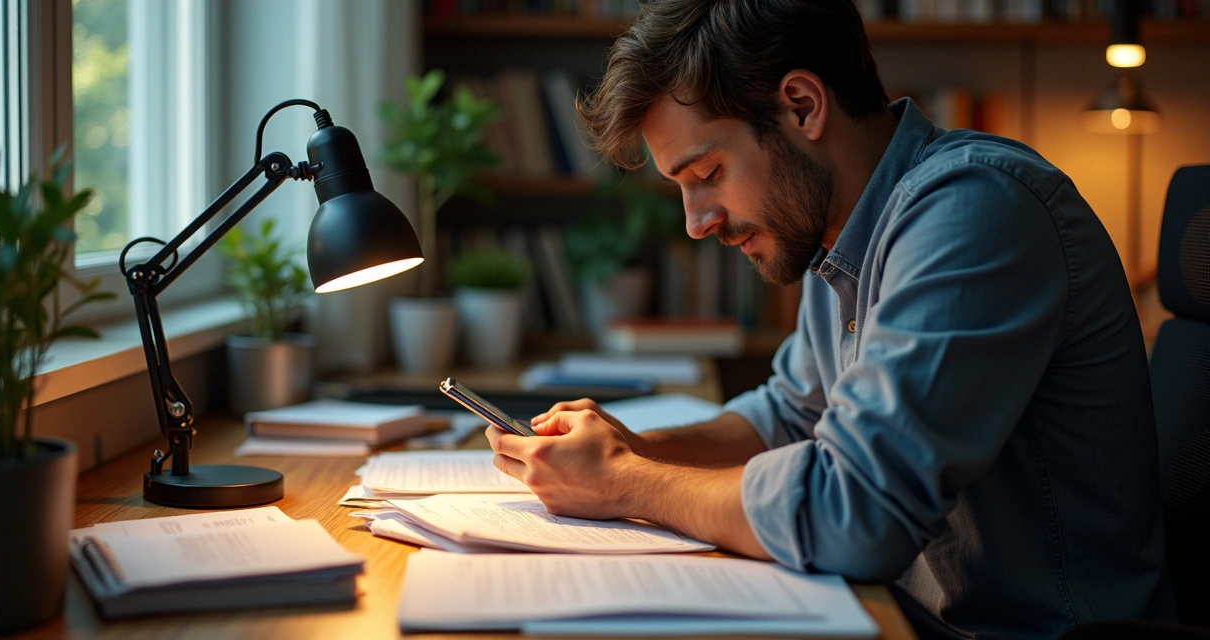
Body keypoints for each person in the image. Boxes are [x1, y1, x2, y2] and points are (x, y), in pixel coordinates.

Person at [484, 1, 1175, 637]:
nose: (696, 223)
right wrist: (634, 447)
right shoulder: (835, 236)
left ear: (802, 106)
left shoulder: (975, 211)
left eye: (709, 173)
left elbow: (856, 513)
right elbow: (787, 416)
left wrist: (625, 483)